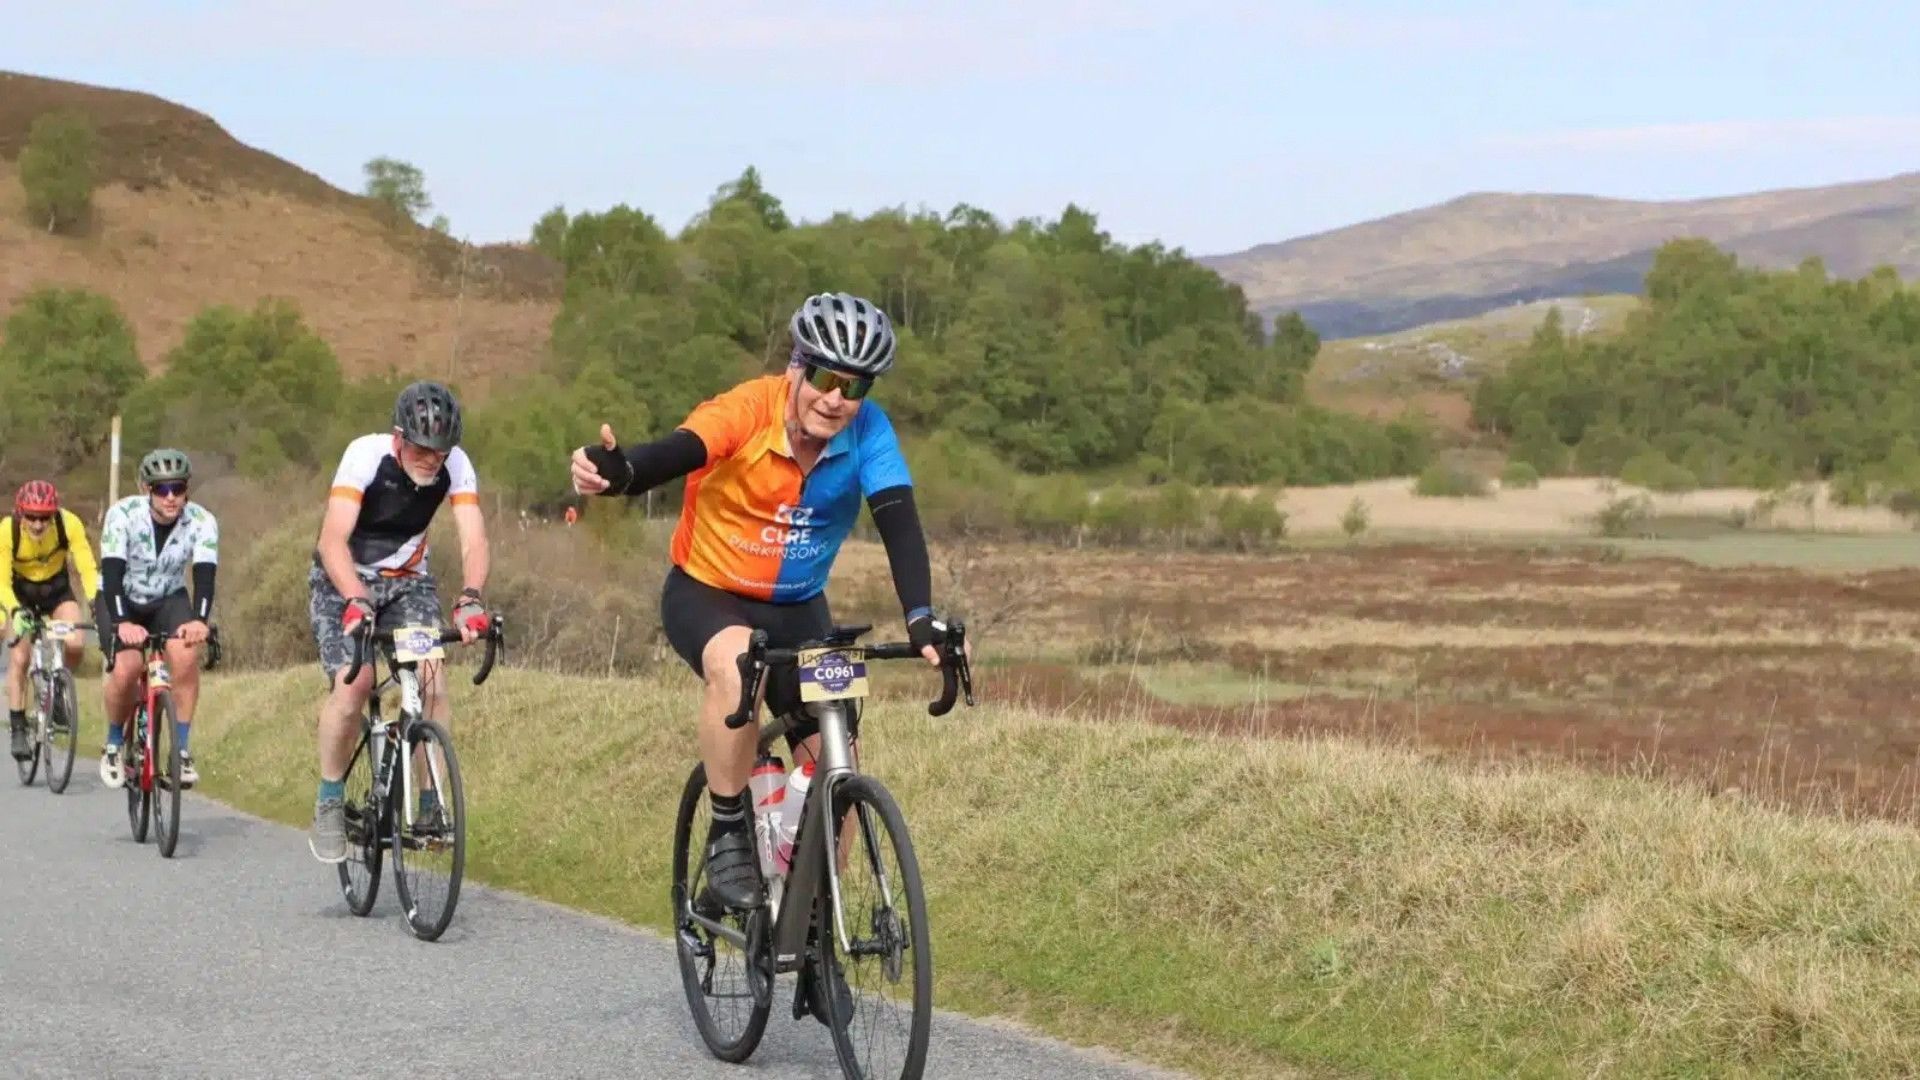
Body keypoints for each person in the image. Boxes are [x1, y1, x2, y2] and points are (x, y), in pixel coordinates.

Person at [570, 292, 955, 919]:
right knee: (738, 663)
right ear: (797, 367)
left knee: (837, 759)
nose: (836, 398)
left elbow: (899, 522)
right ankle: (727, 835)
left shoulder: (868, 431)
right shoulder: (748, 408)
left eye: (854, 387)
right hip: (708, 593)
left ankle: (816, 921)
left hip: (799, 604)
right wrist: (624, 472)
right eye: (826, 378)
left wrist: (920, 615)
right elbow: (682, 449)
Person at [306, 380, 491, 864]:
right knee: (355, 684)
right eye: (421, 449)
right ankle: (329, 799)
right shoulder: (365, 457)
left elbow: (473, 540)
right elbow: (332, 541)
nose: (431, 460)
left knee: (432, 680)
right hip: (342, 579)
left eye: (440, 452)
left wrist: (470, 598)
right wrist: (355, 598)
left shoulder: (457, 466)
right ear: (398, 437)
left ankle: (428, 802)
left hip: (409, 583)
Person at [97, 450, 218, 789]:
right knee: (127, 667)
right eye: (161, 489)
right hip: (119, 595)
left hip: (168, 597)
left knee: (185, 654)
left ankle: (180, 749)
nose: (170, 498)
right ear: (145, 489)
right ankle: (113, 743)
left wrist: (199, 620)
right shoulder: (122, 514)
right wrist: (122, 622)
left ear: (187, 490)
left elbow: (205, 576)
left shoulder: (202, 521)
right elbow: (112, 571)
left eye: (177, 489)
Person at [3, 481, 99, 761]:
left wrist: (96, 600)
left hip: (56, 591)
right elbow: (1, 581)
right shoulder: (7, 532)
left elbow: (86, 567)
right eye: (31, 517)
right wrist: (13, 610)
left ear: (54, 514)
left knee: (76, 643)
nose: (37, 524)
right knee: (20, 658)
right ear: (20, 513)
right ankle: (18, 726)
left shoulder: (69, 524)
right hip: (19, 595)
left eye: (44, 517)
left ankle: (58, 691)